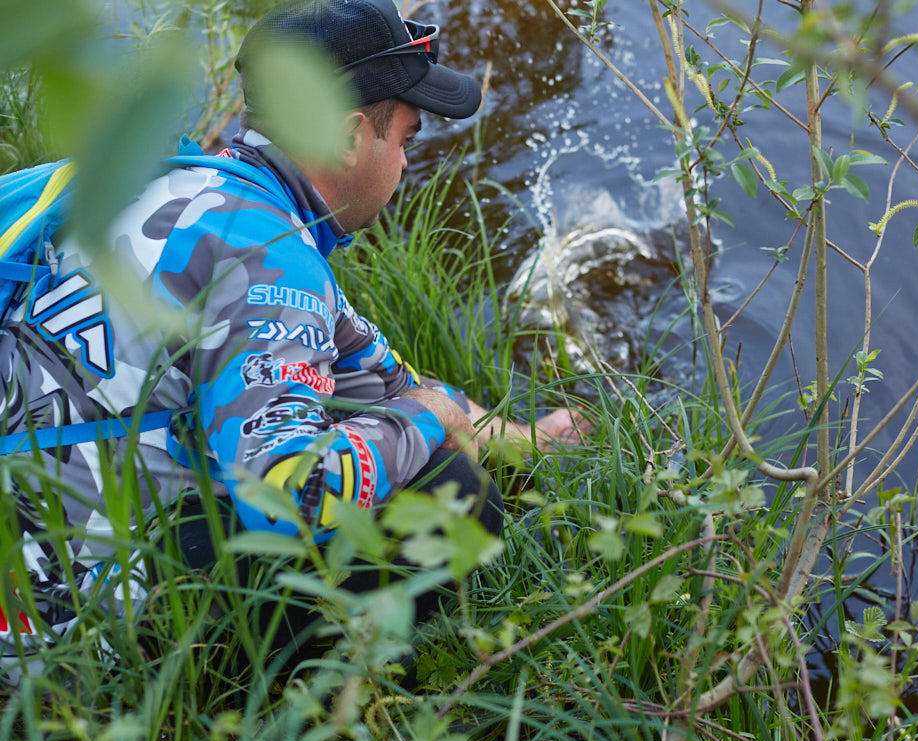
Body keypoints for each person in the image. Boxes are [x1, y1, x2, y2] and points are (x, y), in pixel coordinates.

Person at [0, 0, 586, 676]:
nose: (405, 163)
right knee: (453, 495)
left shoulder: (181, 186)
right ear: (349, 136)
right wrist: (427, 421)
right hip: (58, 642)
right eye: (406, 139)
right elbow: (290, 495)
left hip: (27, 542)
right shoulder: (268, 263)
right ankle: (289, 701)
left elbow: (382, 381)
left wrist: (520, 437)